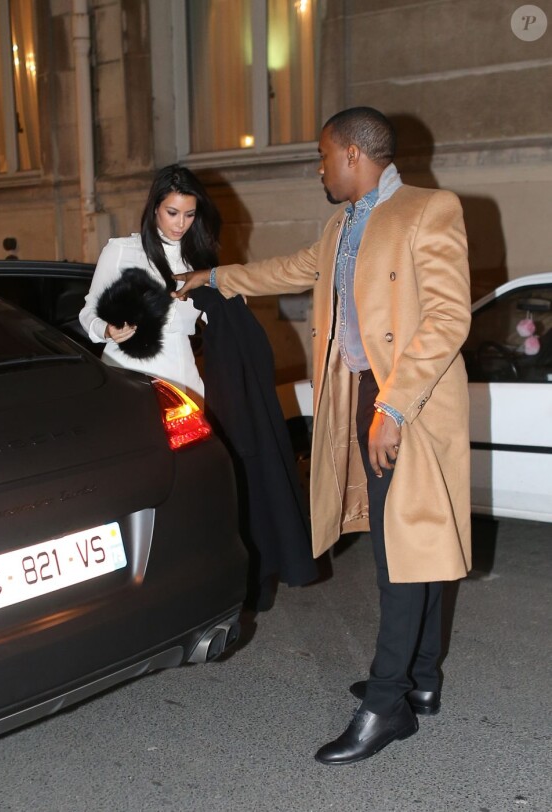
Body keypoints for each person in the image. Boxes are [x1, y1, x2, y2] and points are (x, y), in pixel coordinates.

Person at [175, 106, 472, 764]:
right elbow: (292, 270)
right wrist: (218, 278)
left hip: (410, 402)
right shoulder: (342, 223)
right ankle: (422, 682)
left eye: (323, 155)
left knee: (404, 556)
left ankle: (388, 702)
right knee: (407, 547)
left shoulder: (430, 209)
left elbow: (450, 318)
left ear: (353, 155)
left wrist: (393, 408)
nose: (318, 167)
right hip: (363, 396)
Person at [79, 164, 221, 402]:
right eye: (172, 213)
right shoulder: (121, 251)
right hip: (128, 372)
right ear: (156, 208)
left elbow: (216, 317)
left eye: (189, 215)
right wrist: (107, 330)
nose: (180, 224)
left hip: (182, 374)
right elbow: (89, 311)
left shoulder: (200, 261)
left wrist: (234, 300)